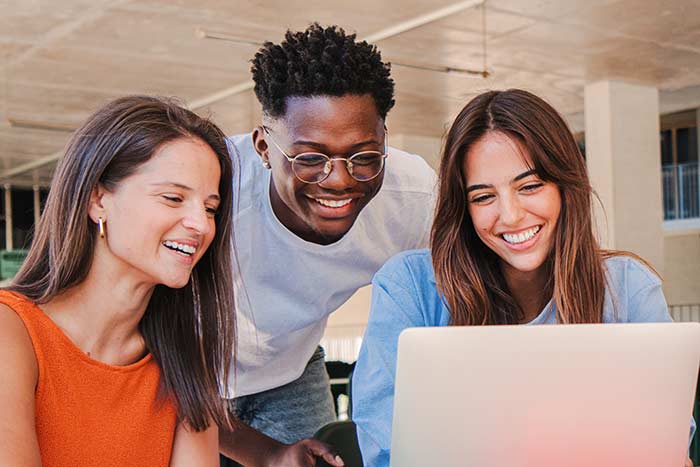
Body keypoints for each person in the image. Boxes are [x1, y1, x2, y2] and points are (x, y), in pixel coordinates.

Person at [351, 89, 696, 467]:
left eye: (530, 186)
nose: (511, 216)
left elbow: (667, 445)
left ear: (566, 186)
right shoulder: (409, 287)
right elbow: (386, 451)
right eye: (483, 197)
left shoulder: (628, 287)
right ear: (463, 207)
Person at [219, 24, 436, 467]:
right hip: (177, 372)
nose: (339, 180)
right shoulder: (214, 188)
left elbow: (467, 289)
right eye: (310, 159)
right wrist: (265, 454)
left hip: (289, 371)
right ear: (264, 146)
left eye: (363, 156)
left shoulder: (413, 198)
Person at [0, 95, 236, 466]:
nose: (201, 225)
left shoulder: (185, 356)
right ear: (98, 200)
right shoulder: (12, 331)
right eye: (174, 198)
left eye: (210, 208)